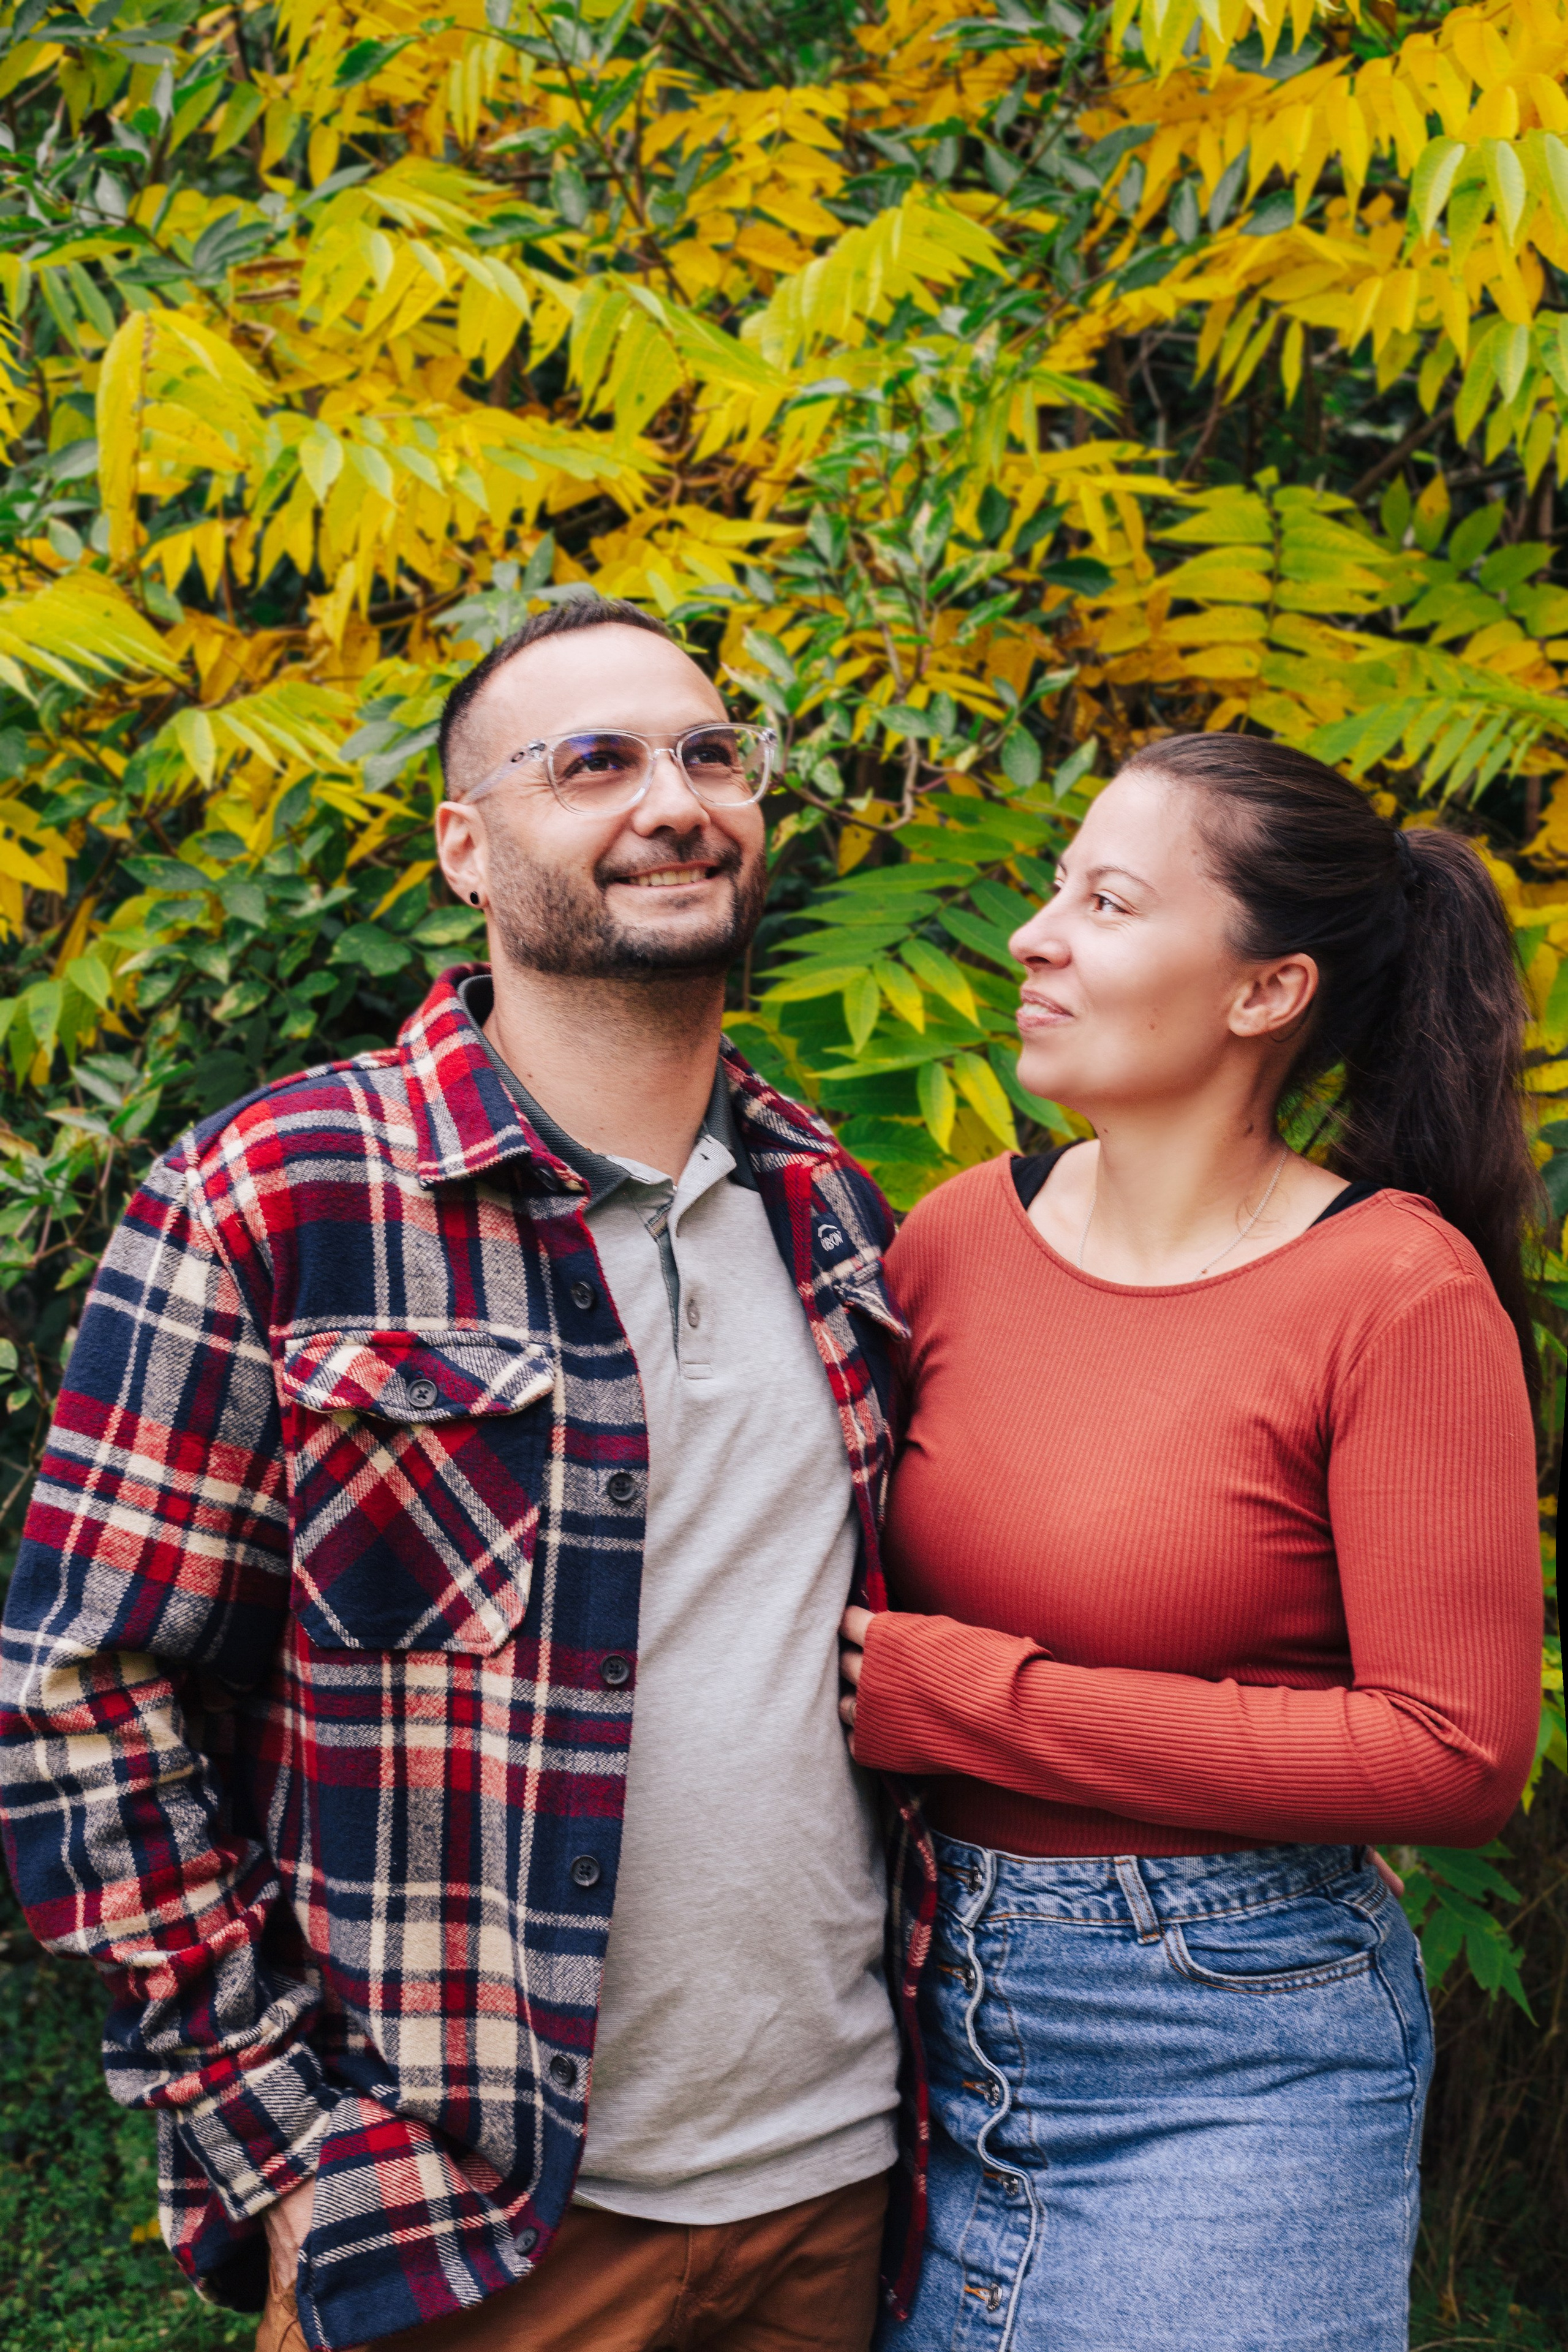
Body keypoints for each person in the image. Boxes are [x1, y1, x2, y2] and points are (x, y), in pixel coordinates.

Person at [0, 598, 929, 2352]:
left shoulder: (833, 1209)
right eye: (593, 762)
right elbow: (76, 1690)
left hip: (835, 2186)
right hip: (461, 2222)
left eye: (710, 752)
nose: (675, 799)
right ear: (466, 851)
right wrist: (275, 2140)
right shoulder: (273, 1196)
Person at [839, 735, 1544, 2352]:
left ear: (1263, 991)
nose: (1034, 933)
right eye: (1053, 890)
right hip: (923, 2030)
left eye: (1109, 899)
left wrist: (977, 1701)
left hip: (1233, 2051)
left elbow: (1456, 1756)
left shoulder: (1393, 1293)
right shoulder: (955, 1235)